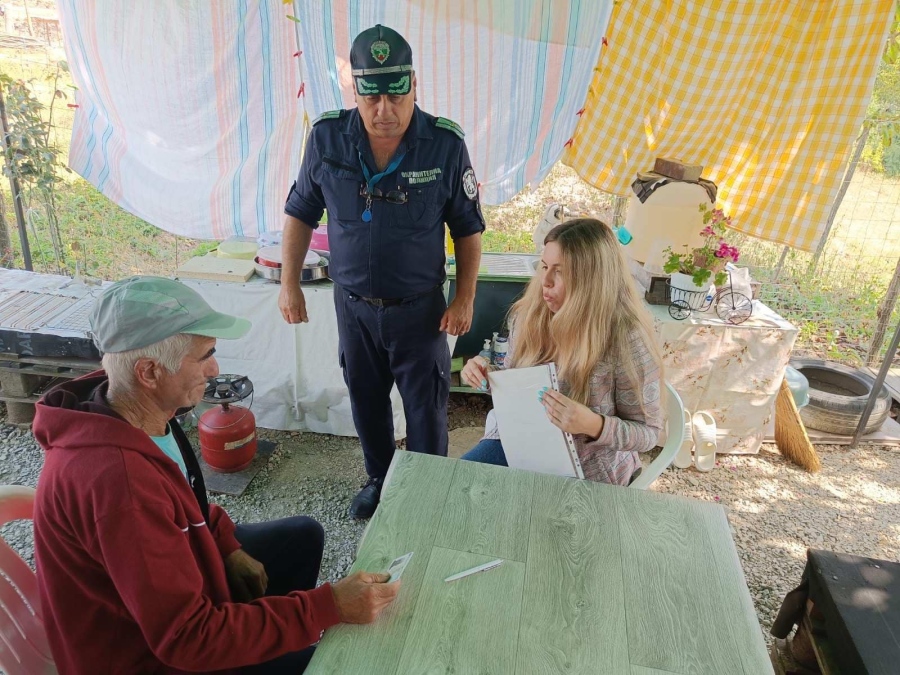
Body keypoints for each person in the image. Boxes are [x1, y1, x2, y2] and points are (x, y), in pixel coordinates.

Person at [32, 276, 399, 674]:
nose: (215, 368)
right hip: (146, 659)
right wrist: (327, 607)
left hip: (172, 603)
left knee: (302, 537)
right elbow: (186, 639)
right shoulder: (118, 483)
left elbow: (184, 499)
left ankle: (279, 644)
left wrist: (225, 544)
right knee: (343, 666)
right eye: (204, 354)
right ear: (149, 371)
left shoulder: (134, 408)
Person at [280, 24, 484, 519]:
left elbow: (468, 228)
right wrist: (289, 284)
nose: (384, 112)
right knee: (366, 402)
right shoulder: (328, 138)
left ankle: (429, 492)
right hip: (352, 308)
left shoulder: (444, 145)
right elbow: (300, 211)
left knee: (426, 408)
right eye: (371, 98)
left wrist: (465, 298)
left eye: (397, 96)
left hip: (420, 312)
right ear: (356, 91)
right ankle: (380, 480)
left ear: (415, 85)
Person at [460, 219, 664, 486]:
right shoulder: (528, 315)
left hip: (588, 467)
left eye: (560, 271)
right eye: (544, 266)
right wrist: (488, 375)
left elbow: (648, 434)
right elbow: (515, 384)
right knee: (458, 488)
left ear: (593, 279)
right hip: (520, 441)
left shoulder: (626, 339)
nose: (545, 281)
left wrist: (593, 424)